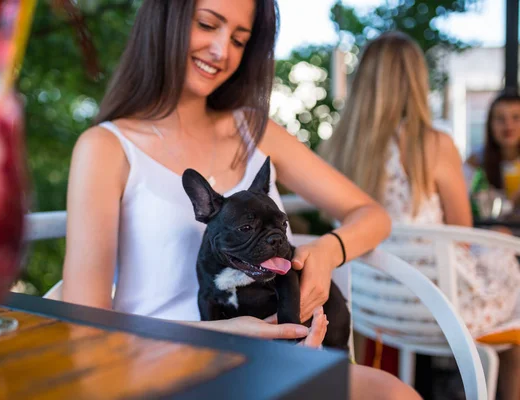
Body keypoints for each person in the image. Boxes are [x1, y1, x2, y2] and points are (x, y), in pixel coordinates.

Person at [62, 1, 420, 398]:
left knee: (394, 393)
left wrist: (325, 252)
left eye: (239, 39)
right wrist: (219, 333)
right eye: (206, 24)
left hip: (284, 360)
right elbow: (83, 325)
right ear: (165, 20)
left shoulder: (255, 130)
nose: (221, 51)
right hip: (160, 367)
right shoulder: (107, 147)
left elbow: (372, 216)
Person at [321, 31, 520, 400]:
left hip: (372, 306)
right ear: (415, 81)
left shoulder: (339, 147)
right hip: (437, 306)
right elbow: (463, 232)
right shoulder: (435, 143)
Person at [466, 91, 520, 204]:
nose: (508, 125)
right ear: (490, 124)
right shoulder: (476, 161)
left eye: (516, 118)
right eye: (500, 118)